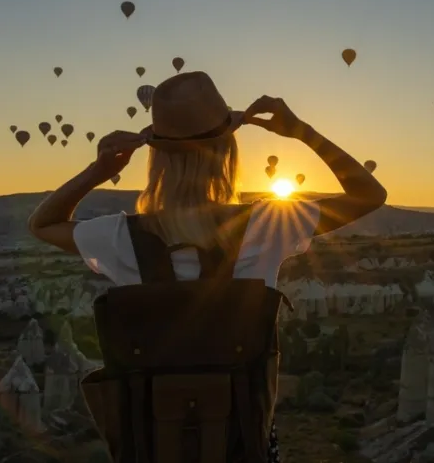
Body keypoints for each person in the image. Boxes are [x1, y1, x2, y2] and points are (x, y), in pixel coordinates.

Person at [28, 71, 386, 463]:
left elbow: (43, 224)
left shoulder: (118, 237)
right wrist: (303, 132)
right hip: (241, 446)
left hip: (150, 447)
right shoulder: (267, 226)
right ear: (228, 153)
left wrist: (99, 170)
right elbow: (369, 194)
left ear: (156, 159)